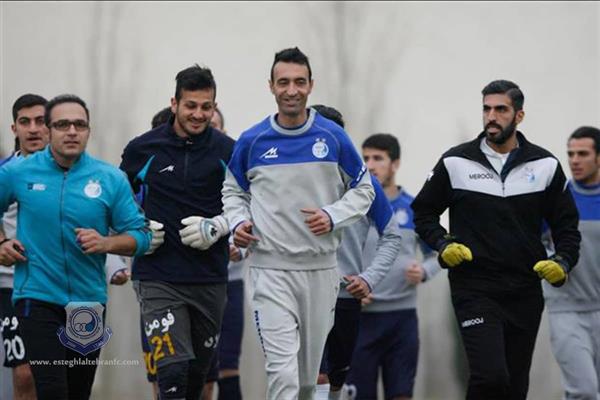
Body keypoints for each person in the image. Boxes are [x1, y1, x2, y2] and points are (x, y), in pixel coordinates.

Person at [411, 79, 581, 400]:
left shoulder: (545, 166)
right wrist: (443, 245)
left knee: (514, 388)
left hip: (524, 291)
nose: (491, 116)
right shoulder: (455, 162)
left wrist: (563, 261)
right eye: (486, 109)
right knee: (490, 377)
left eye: (501, 109)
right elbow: (423, 213)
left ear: (519, 116)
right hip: (475, 289)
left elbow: (567, 227)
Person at [222, 47, 375, 400]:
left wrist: (333, 215)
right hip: (270, 271)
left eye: (299, 82)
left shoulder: (333, 138)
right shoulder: (252, 140)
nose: (292, 90)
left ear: (310, 86)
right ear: (271, 87)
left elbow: (364, 190)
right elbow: (232, 191)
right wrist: (238, 222)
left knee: (308, 383)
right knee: (284, 376)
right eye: (284, 82)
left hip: (321, 271)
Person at [0, 94, 151, 400]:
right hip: (36, 296)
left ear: (88, 131)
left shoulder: (110, 178)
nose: (71, 131)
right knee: (51, 387)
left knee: (78, 391)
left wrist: (106, 242)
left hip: (88, 302)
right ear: (50, 131)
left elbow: (141, 235)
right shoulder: (19, 172)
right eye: (62, 124)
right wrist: (1, 242)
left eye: (79, 124)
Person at [120, 64, 235, 400]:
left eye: (206, 106)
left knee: (196, 379)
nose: (198, 114)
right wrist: (137, 226)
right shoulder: (143, 148)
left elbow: (251, 204)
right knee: (171, 372)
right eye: (191, 106)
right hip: (158, 276)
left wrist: (220, 227)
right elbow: (118, 201)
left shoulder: (230, 150)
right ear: (174, 103)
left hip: (210, 277)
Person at [309, 107, 402, 400]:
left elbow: (392, 234)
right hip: (304, 290)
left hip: (346, 295)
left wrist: (369, 278)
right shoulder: (294, 179)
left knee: (337, 377)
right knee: (315, 374)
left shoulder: (365, 185)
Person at [346, 133, 441, 400]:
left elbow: (439, 255)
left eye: (378, 158)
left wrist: (424, 272)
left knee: (401, 395)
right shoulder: (352, 208)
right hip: (361, 320)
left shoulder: (413, 208)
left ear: (395, 164)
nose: (371, 165)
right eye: (365, 159)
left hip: (402, 319)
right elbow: (335, 258)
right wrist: (349, 287)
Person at [542, 126, 600, 400]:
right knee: (584, 392)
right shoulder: (556, 199)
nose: (574, 160)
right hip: (566, 310)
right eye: (571, 154)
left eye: (583, 154)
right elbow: (533, 243)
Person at [0, 93, 48, 400]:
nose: (33, 129)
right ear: (14, 128)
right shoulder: (5, 173)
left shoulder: (76, 173)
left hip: (63, 284)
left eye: (40, 121)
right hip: (12, 284)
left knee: (64, 372)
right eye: (24, 122)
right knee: (25, 371)